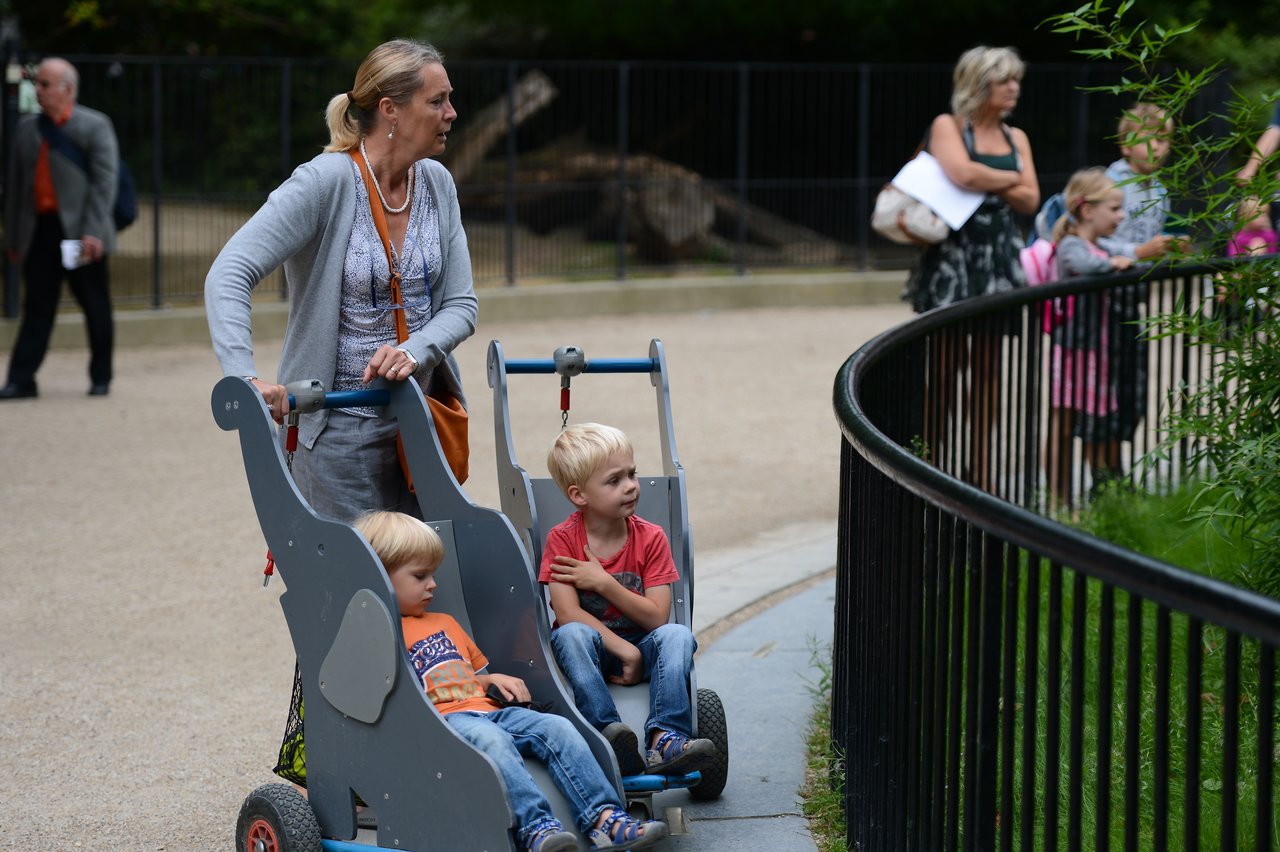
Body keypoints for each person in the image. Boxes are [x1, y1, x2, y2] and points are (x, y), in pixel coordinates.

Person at [205, 38, 477, 523]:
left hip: (420, 422)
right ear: (391, 110)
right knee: (357, 588)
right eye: (437, 101)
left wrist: (416, 350)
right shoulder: (324, 181)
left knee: (427, 580)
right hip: (337, 429)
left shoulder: (437, 182)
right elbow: (229, 272)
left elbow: (461, 305)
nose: (451, 112)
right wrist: (243, 377)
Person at [354, 510, 668, 852]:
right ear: (380, 576)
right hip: (443, 723)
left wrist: (494, 678)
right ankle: (536, 828)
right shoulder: (377, 632)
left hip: (487, 708)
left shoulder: (444, 621)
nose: (433, 584)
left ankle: (605, 818)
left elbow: (470, 675)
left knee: (557, 727)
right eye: (420, 576)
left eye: (432, 574)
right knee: (492, 742)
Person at [539, 423, 718, 778]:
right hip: (592, 651)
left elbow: (656, 618)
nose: (630, 486)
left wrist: (604, 583)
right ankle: (605, 733)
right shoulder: (562, 540)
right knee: (569, 635)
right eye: (614, 480)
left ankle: (665, 736)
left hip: (644, 641)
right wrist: (626, 651)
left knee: (678, 635)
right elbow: (568, 613)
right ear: (579, 496)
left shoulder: (650, 538)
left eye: (632, 474)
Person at [901, 45, 1040, 491]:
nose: (1014, 87)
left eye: (1016, 79)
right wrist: (1007, 179)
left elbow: (1031, 199)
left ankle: (981, 475)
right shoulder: (948, 126)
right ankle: (931, 468)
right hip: (953, 260)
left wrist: (983, 176)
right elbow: (961, 175)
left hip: (997, 260)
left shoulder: (1016, 138)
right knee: (942, 369)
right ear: (979, 85)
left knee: (989, 372)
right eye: (1005, 80)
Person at [1, 57, 119, 400]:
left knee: (95, 306)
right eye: (37, 84)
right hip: (40, 232)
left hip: (82, 232)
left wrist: (93, 232)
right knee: (36, 308)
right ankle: (21, 380)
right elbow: (16, 189)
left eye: (45, 84)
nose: (37, 90)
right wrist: (13, 238)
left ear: (67, 89)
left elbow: (104, 183)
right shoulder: (26, 129)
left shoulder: (95, 125)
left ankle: (101, 378)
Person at [1044, 168, 1134, 508]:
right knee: (1063, 424)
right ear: (1087, 210)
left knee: (1095, 423)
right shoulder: (1071, 245)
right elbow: (1085, 265)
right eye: (1114, 208)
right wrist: (1114, 264)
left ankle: (1098, 499)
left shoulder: (1099, 245)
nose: (1121, 215)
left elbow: (1127, 252)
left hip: (1097, 350)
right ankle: (1057, 502)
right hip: (1073, 351)